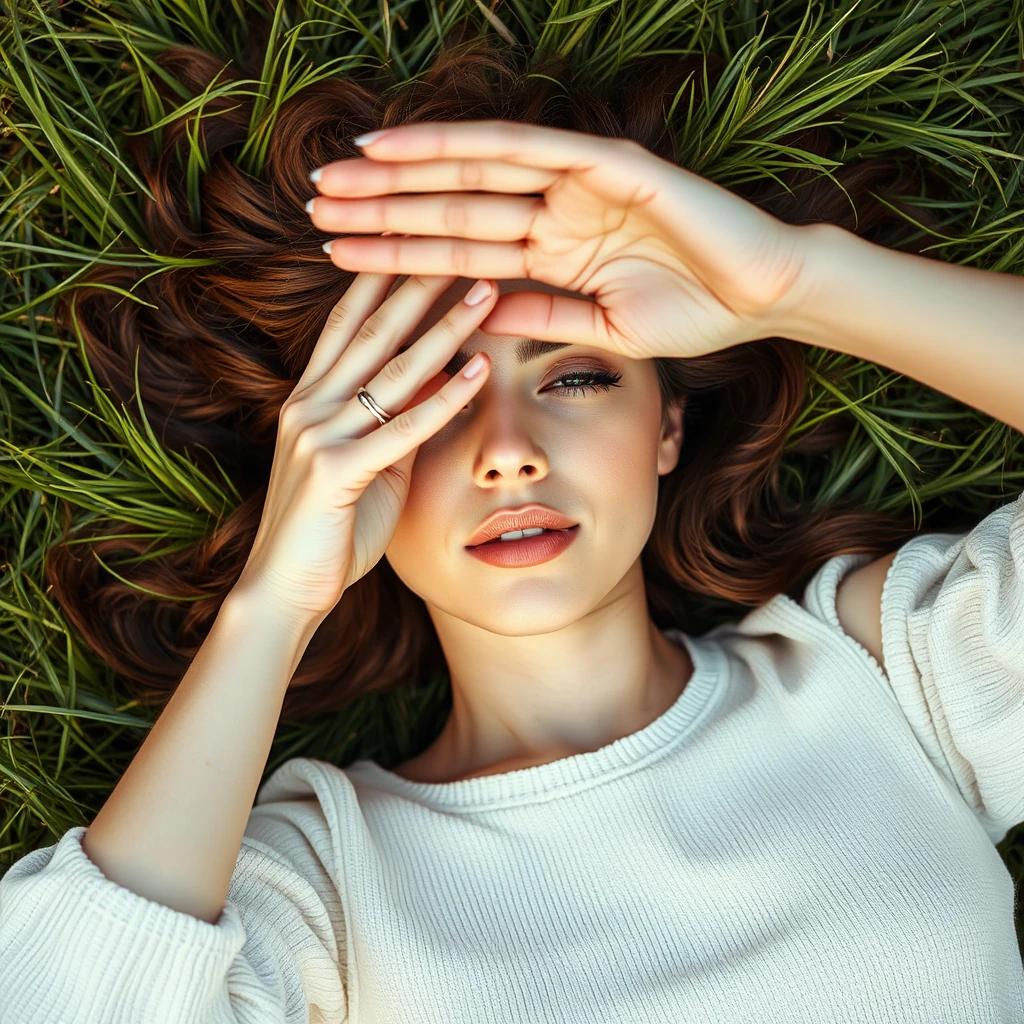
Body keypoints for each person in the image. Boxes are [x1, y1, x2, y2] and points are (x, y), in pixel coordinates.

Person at [2, 38, 1023, 1024]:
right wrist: (272, 605)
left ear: (667, 423)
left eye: (574, 375)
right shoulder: (323, 888)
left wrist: (793, 285)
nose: (507, 453)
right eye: (431, 397)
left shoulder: (889, 684)